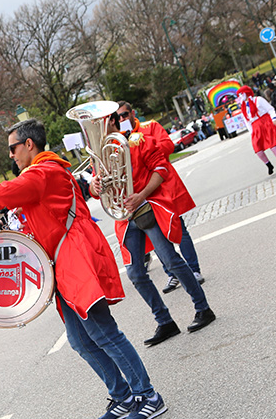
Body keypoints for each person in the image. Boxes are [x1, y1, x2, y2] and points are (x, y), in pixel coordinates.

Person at [0, 118, 167, 419]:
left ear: (29, 144)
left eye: (12, 148)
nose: (11, 155)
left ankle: (147, 395)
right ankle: (123, 395)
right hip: (63, 261)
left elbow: (3, 193)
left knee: (103, 333)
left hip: (75, 258)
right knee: (80, 340)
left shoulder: (42, 172)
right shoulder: (44, 170)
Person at [90, 109, 216, 346]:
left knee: (170, 260)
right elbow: (97, 192)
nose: (96, 131)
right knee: (136, 274)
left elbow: (161, 169)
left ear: (113, 121)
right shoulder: (101, 155)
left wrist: (141, 195)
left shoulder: (138, 141)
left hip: (147, 206)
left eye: (100, 124)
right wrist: (95, 186)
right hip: (125, 217)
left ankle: (203, 308)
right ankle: (165, 321)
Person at [116, 102, 205, 295]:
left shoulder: (150, 127)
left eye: (124, 115)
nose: (121, 120)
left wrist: (144, 142)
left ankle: (194, 269)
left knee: (178, 227)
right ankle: (172, 274)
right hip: (146, 195)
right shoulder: (119, 140)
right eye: (118, 118)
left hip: (164, 186)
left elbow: (167, 146)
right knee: (156, 238)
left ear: (132, 114)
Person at [236, 85, 276, 175]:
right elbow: (246, 120)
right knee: (258, 149)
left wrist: (274, 118)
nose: (240, 97)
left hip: (264, 123)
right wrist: (251, 131)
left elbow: (270, 109)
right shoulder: (244, 107)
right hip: (255, 126)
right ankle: (268, 164)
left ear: (246, 93)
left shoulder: (258, 100)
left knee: (272, 145)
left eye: (241, 94)